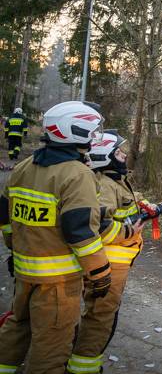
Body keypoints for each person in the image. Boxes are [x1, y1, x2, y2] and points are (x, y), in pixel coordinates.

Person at [0, 101, 112, 374]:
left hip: (25, 274)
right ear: (77, 131)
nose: (95, 136)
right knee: (51, 345)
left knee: (17, 328)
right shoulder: (77, 174)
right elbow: (80, 232)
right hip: (58, 286)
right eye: (93, 130)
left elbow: (5, 217)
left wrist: (17, 251)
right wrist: (99, 273)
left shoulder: (25, 167)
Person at [67, 131, 144, 374]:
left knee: (101, 317)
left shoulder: (114, 181)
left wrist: (140, 208)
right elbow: (99, 226)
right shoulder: (106, 184)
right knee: (100, 319)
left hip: (112, 264)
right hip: (108, 265)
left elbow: (118, 209)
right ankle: (83, 368)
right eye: (119, 153)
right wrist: (130, 232)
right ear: (104, 155)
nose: (124, 157)